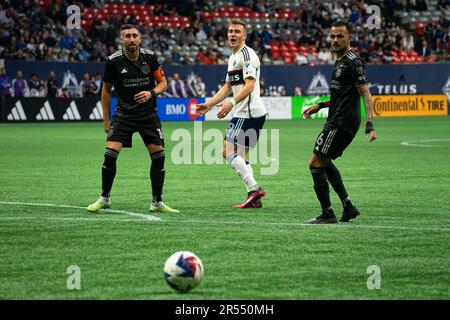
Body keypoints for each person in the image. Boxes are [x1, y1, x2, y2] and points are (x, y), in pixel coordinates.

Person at [87, 24, 178, 213]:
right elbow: (105, 91)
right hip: (124, 114)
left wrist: (150, 93)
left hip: (148, 115)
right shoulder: (113, 61)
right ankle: (105, 197)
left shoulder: (150, 57)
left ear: (140, 39)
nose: (131, 39)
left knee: (158, 155)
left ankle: (157, 202)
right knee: (110, 153)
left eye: (134, 35)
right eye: (127, 36)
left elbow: (163, 84)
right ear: (121, 40)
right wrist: (105, 119)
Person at [302, 21, 377, 224]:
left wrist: (370, 123)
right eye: (333, 36)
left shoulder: (353, 61)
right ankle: (348, 207)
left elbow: (365, 93)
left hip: (341, 122)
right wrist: (320, 105)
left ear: (349, 38)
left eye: (340, 36)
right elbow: (342, 95)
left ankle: (328, 214)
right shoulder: (340, 61)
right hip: (337, 118)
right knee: (324, 163)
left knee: (315, 163)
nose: (335, 40)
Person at [195, 19, 267, 209]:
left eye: (237, 31)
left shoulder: (247, 55)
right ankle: (255, 197)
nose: (233, 34)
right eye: (230, 31)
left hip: (247, 112)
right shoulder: (233, 57)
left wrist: (231, 103)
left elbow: (250, 85)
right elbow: (228, 86)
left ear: (244, 35)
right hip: (246, 112)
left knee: (226, 151)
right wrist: (209, 104)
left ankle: (254, 189)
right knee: (241, 156)